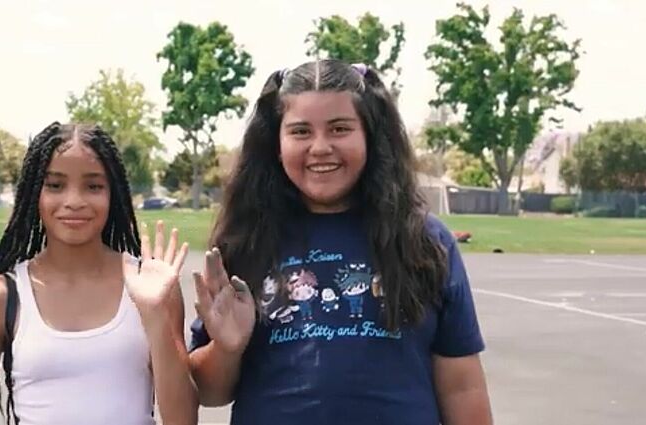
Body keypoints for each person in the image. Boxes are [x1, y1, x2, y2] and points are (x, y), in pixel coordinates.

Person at [189, 60, 493, 425]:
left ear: (370, 135)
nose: (320, 147)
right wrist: (227, 347)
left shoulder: (425, 241)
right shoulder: (246, 241)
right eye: (300, 131)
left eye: (339, 129)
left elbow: (462, 385)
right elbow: (209, 392)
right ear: (276, 144)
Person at [0, 123, 197, 425]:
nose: (74, 201)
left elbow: (184, 420)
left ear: (114, 194)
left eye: (93, 186)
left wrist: (156, 316)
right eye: (55, 185)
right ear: (33, 194)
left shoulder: (153, 287)